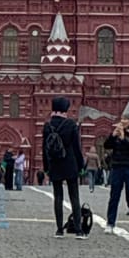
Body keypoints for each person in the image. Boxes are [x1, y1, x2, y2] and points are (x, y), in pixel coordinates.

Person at [42, 96, 86, 239]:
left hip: (55, 164)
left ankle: (59, 230)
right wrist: (81, 166)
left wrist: (46, 167)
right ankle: (79, 230)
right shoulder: (71, 125)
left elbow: (44, 149)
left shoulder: (48, 126)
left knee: (58, 197)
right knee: (74, 197)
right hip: (70, 164)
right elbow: (76, 147)